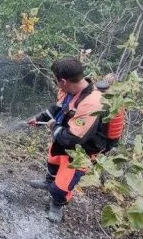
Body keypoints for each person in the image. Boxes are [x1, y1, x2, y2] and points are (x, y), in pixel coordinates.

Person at [26, 58, 107, 223]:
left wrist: (53, 126)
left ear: (62, 81)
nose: (56, 84)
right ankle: (48, 181)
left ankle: (57, 202)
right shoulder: (69, 89)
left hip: (79, 152)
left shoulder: (92, 102)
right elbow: (58, 108)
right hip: (61, 141)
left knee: (61, 187)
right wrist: (39, 118)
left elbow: (72, 139)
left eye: (56, 80)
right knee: (52, 162)